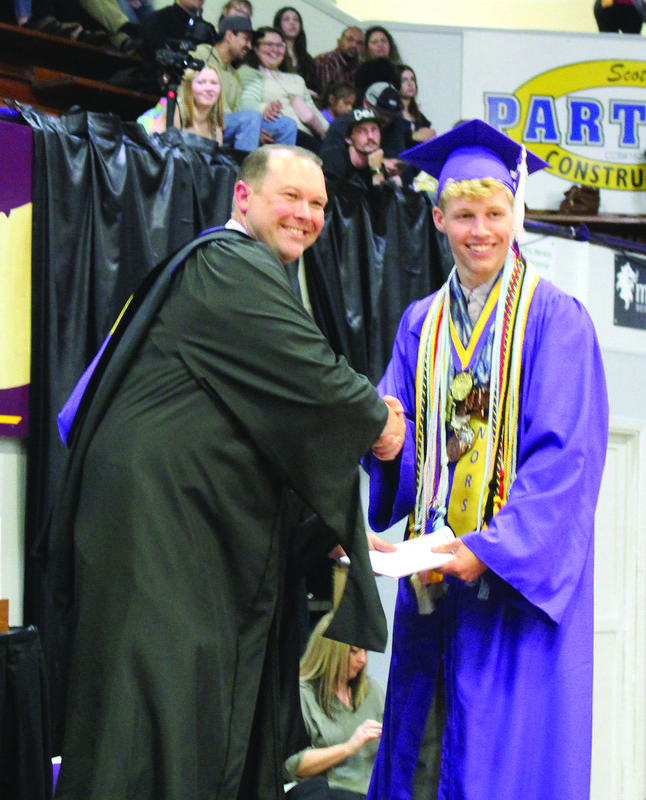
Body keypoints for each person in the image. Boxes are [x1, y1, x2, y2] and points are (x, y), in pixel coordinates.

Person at [47, 145, 402, 800]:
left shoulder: (241, 272)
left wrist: (327, 530)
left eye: (319, 204)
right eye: (290, 197)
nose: (306, 214)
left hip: (181, 542)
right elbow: (315, 382)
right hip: (160, 546)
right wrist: (377, 421)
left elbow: (255, 434)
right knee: (150, 726)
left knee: (175, 725)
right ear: (243, 198)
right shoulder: (228, 265)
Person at [363, 119, 609, 800]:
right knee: (422, 756)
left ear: (516, 215)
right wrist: (388, 446)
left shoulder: (555, 321)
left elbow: (565, 462)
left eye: (495, 213)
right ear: (438, 218)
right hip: (436, 589)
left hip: (509, 597)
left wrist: (491, 549)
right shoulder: (422, 323)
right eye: (464, 215)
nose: (480, 231)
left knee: (501, 766)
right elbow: (409, 445)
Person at [284, 611, 385, 799]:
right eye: (354, 651)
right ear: (331, 652)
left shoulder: (373, 691)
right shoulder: (302, 694)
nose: (362, 659)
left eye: (365, 651)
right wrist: (349, 747)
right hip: (327, 792)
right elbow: (292, 766)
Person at [197, 16, 298, 151]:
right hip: (202, 118)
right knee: (251, 118)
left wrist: (255, 129)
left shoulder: (234, 75)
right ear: (229, 36)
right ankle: (245, 171)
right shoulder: (202, 54)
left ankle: (274, 171)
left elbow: (237, 113)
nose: (249, 46)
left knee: (287, 125)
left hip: (226, 123)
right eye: (246, 39)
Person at [239, 26, 328, 153]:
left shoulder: (297, 79)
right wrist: (264, 110)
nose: (275, 49)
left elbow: (313, 109)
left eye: (280, 45)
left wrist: (329, 133)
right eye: (269, 44)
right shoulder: (250, 73)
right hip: (282, 132)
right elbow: (246, 103)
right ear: (255, 47)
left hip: (309, 135)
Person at [320, 82, 406, 180]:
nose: (387, 119)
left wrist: (379, 169)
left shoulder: (394, 124)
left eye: (374, 130)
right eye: (382, 113)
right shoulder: (343, 126)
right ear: (366, 104)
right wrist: (378, 168)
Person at [137, 65, 224, 143]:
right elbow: (154, 147)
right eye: (201, 82)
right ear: (188, 88)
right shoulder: (177, 114)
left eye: (214, 83)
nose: (209, 88)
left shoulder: (216, 130)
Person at [321, 108, 395, 189]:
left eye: (374, 130)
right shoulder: (333, 159)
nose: (370, 136)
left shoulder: (377, 165)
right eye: (361, 131)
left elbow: (384, 201)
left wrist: (377, 171)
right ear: (348, 139)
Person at [273, 6, 320, 97]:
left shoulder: (307, 59)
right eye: (286, 20)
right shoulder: (273, 54)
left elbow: (315, 87)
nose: (292, 23)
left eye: (296, 20)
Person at [395, 64, 436, 149]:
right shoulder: (392, 113)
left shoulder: (419, 116)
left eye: (412, 80)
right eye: (404, 80)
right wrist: (413, 136)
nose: (410, 84)